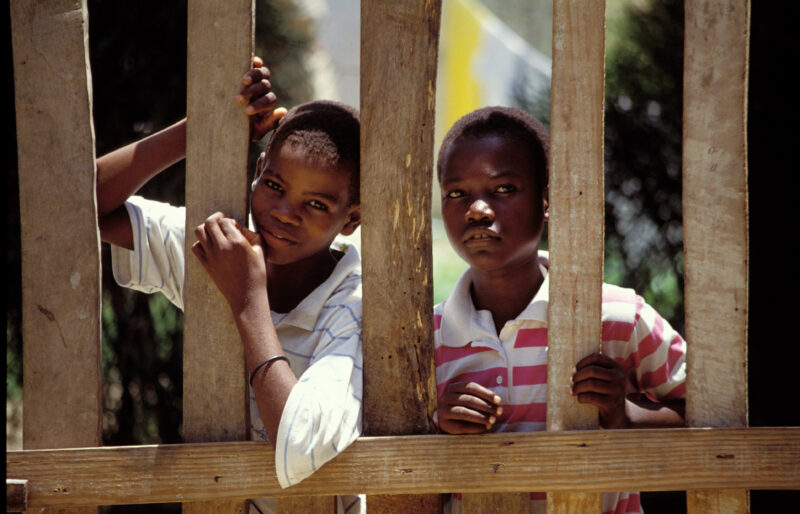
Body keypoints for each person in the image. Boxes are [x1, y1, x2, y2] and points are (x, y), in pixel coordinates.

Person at [97, 59, 365, 513]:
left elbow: (298, 445)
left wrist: (246, 300)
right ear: (258, 169)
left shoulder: (354, 304)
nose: (284, 211)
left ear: (351, 219)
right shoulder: (218, 251)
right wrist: (198, 130)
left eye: (316, 203)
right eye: (275, 184)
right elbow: (81, 204)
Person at [433, 106, 686, 514]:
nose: (477, 210)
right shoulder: (428, 338)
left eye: (503, 189)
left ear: (547, 200)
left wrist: (624, 415)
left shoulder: (617, 316)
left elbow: (703, 412)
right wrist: (436, 427)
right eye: (457, 193)